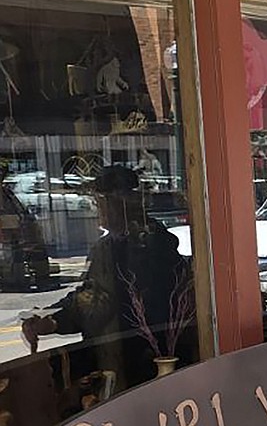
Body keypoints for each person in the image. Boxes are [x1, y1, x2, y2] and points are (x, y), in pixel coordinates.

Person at [21, 164, 194, 395]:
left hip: (141, 362)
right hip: (117, 358)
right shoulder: (110, 245)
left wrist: (54, 321)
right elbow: (90, 293)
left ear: (121, 204)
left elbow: (101, 302)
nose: (98, 209)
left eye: (101, 202)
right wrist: (50, 317)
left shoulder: (148, 246)